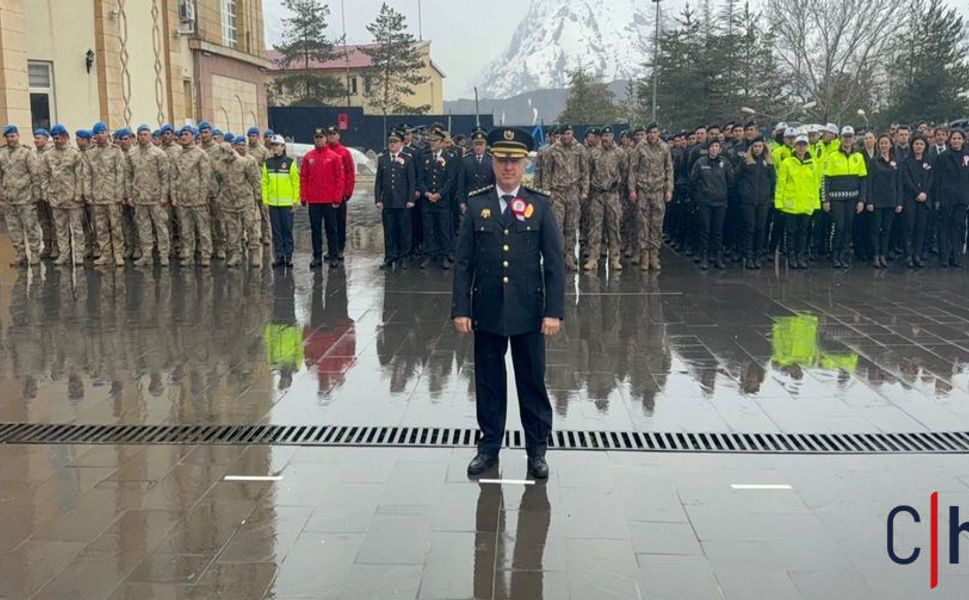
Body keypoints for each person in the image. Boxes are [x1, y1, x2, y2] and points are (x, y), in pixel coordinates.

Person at [451, 127, 564, 480]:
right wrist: (461, 308)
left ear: (525, 163)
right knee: (488, 382)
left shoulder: (540, 204)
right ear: (494, 163)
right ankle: (489, 448)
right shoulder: (478, 204)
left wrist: (553, 312)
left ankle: (537, 450)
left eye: (515, 161)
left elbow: (556, 262)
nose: (508, 167)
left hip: (529, 311)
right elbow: (463, 262)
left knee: (531, 381)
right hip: (486, 310)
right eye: (502, 160)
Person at [628, 122, 674, 271]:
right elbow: (633, 170)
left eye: (655, 132)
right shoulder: (640, 148)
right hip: (643, 191)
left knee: (656, 224)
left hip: (658, 191)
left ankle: (654, 255)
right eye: (650, 132)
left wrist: (669, 190)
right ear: (647, 134)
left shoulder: (664, 148)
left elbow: (669, 170)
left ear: (658, 133)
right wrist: (632, 190)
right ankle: (644, 255)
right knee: (643, 224)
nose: (652, 135)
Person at [38, 124, 86, 266]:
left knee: (77, 229)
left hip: (73, 198)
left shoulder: (74, 154)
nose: (56, 141)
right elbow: (44, 175)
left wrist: (79, 194)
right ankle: (64, 254)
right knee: (60, 229)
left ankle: (79, 255)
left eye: (58, 138)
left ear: (65, 137)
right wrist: (45, 192)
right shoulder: (48, 155)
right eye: (54, 138)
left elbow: (80, 176)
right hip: (56, 198)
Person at [543, 124, 589, 271]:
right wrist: (546, 192)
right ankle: (558, 257)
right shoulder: (552, 150)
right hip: (557, 193)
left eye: (569, 133)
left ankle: (569, 256)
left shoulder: (579, 149)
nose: (566, 136)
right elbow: (546, 173)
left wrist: (584, 190)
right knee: (557, 226)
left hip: (573, 192)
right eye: (564, 134)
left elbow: (585, 171)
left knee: (571, 226)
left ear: (572, 133)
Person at [300, 126, 346, 269]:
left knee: (331, 229)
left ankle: (333, 256)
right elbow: (304, 178)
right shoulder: (308, 157)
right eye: (317, 137)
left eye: (321, 137)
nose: (319, 140)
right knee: (315, 230)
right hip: (314, 201)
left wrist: (337, 198)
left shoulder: (334, 157)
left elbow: (340, 178)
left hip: (329, 200)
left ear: (326, 139)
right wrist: (304, 196)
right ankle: (317, 256)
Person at [213, 137, 262, 268]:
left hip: (245, 200)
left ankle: (255, 252)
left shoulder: (244, 163)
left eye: (227, 152)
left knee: (250, 226)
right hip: (228, 201)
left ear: (231, 151)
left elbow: (255, 180)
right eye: (222, 153)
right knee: (232, 230)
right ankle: (235, 254)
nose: (225, 156)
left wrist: (258, 196)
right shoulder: (219, 165)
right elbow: (219, 181)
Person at [823, 125, 867, 268]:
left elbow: (863, 180)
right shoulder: (833, 156)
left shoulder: (858, 156)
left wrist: (862, 200)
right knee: (839, 226)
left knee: (848, 227)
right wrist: (826, 199)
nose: (847, 140)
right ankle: (834, 254)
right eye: (845, 137)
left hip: (852, 198)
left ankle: (843, 255)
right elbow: (826, 179)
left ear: (853, 139)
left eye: (850, 137)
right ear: (841, 138)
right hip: (836, 198)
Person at [84, 121, 128, 267]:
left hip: (112, 196)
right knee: (101, 228)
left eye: (102, 132)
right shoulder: (90, 153)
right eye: (97, 133)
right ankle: (105, 254)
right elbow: (87, 175)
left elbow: (121, 173)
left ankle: (118, 254)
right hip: (97, 196)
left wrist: (119, 194)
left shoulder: (116, 151)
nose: (100, 136)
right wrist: (88, 194)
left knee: (116, 226)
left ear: (107, 133)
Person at [774, 135, 820, 269]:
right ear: (795, 146)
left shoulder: (812, 163)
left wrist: (816, 203)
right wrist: (779, 202)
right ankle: (791, 256)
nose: (801, 148)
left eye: (804, 145)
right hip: (791, 205)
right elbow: (781, 184)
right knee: (791, 232)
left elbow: (815, 184)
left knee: (804, 232)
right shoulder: (787, 162)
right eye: (799, 145)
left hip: (806, 204)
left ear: (807, 147)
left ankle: (801, 255)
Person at [127, 124, 170, 267]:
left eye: (145, 134)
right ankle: (146, 256)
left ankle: (164, 255)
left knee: (161, 227)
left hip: (155, 198)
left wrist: (164, 195)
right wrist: (130, 195)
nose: (143, 137)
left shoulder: (159, 154)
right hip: (139, 197)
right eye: (140, 134)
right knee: (143, 228)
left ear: (150, 136)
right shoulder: (132, 153)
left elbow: (165, 176)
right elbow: (128, 175)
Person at [0, 125, 43, 266]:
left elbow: (35, 174)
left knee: (31, 226)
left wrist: (36, 194)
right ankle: (20, 254)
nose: (10, 139)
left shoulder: (26, 153)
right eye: (8, 136)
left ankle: (35, 252)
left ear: (18, 136)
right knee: (13, 228)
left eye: (13, 136)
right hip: (9, 198)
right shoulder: (2, 153)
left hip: (26, 197)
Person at [417, 126, 459, 270]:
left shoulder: (449, 158)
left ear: (442, 142)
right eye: (431, 141)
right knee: (429, 228)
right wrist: (427, 193)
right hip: (427, 200)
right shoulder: (425, 158)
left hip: (442, 200)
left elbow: (450, 180)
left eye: (435, 141)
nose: (432, 143)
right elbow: (420, 179)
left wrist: (439, 194)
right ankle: (430, 254)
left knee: (443, 228)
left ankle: (445, 255)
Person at [171, 126, 213, 267]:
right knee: (185, 230)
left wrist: (202, 196)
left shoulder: (200, 154)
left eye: (186, 134)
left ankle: (206, 254)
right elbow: (174, 177)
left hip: (197, 199)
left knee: (203, 228)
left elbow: (205, 177)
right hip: (183, 199)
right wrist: (174, 196)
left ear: (194, 136)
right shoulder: (178, 155)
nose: (183, 137)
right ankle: (188, 254)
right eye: (181, 134)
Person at [375, 128, 416, 269]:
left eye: (395, 142)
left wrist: (411, 199)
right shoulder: (383, 159)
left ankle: (404, 256)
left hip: (403, 201)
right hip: (388, 201)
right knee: (389, 231)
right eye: (390, 142)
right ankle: (390, 256)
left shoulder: (407, 159)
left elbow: (411, 181)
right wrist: (378, 199)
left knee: (404, 230)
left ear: (401, 143)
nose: (392, 144)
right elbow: (378, 182)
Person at [586, 126, 625, 271]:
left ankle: (615, 258)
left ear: (613, 136)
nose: (606, 138)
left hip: (613, 195)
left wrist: (618, 184)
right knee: (595, 227)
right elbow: (588, 172)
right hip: (597, 195)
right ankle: (593, 257)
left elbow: (625, 172)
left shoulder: (619, 153)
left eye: (608, 135)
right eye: (603, 135)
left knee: (614, 227)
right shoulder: (593, 153)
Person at [691, 139, 733, 270]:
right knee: (705, 230)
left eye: (717, 146)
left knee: (718, 231)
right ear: (708, 148)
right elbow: (693, 181)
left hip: (720, 202)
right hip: (705, 203)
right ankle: (704, 257)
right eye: (712, 146)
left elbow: (731, 180)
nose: (714, 149)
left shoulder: (725, 163)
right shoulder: (700, 162)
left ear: (720, 149)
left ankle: (718, 257)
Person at [736, 136, 775, 269]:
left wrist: (771, 197)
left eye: (760, 146)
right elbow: (737, 178)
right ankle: (748, 255)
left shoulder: (768, 163)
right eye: (755, 146)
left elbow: (772, 181)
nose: (758, 149)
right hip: (748, 200)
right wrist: (743, 192)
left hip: (763, 201)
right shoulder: (745, 161)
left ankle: (757, 255)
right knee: (749, 228)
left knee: (760, 228)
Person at [865, 134, 903, 269]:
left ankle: (883, 255)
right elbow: (869, 182)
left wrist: (899, 202)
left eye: (886, 143)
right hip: (876, 200)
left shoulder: (896, 161)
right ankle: (875, 255)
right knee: (875, 229)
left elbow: (899, 183)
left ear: (891, 145)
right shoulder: (874, 161)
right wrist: (869, 201)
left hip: (891, 200)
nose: (884, 145)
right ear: (878, 145)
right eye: (881, 143)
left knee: (887, 229)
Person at [262, 134, 299, 269]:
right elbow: (264, 183)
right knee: (276, 232)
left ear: (283, 147)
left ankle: (288, 256)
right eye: (273, 145)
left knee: (287, 231)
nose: (275, 148)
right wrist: (266, 201)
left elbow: (296, 183)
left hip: (286, 204)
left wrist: (295, 201)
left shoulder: (290, 163)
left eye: (278, 145)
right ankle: (279, 256)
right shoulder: (268, 163)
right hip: (273, 204)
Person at [933, 129, 969, 267]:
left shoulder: (967, 155)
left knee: (958, 227)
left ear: (963, 140)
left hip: (962, 197)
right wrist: (937, 198)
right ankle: (944, 257)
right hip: (946, 197)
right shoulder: (942, 156)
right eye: (954, 138)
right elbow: (937, 179)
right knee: (944, 228)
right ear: (950, 140)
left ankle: (956, 256)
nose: (956, 141)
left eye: (959, 138)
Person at [900, 136, 933, 268]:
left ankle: (917, 255)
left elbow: (931, 179)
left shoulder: (929, 161)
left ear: (925, 146)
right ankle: (908, 255)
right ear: (912, 146)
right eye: (916, 144)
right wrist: (917, 193)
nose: (918, 146)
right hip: (910, 199)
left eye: (921, 144)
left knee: (921, 228)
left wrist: (924, 192)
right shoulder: (906, 162)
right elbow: (906, 180)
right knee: (909, 227)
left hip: (924, 200)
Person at [326, 126, 356, 262]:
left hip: (340, 194)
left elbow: (350, 173)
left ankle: (340, 248)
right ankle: (331, 248)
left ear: (339, 136)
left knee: (340, 223)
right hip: (326, 195)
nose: (331, 136)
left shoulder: (344, 152)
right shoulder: (324, 151)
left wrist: (348, 191)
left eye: (334, 134)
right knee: (328, 224)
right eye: (329, 134)